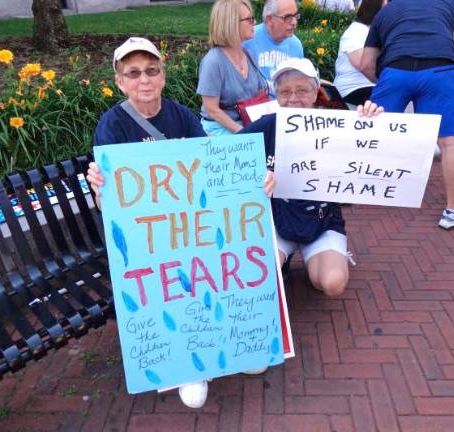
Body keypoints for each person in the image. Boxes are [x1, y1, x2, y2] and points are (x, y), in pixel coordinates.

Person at [87, 37, 275, 409]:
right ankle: (186, 364)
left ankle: (232, 347)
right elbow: (108, 204)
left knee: (210, 267)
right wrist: (99, 186)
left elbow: (211, 169)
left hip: (189, 227)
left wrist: (256, 182)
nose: (144, 79)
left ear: (163, 75)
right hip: (147, 238)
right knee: (167, 284)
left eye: (152, 71)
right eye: (134, 73)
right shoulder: (111, 126)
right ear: (120, 81)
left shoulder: (181, 116)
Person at [240, 58, 383, 297]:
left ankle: (324, 256)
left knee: (331, 284)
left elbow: (371, 157)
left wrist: (373, 123)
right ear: (276, 95)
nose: (293, 98)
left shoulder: (338, 125)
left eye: (302, 90)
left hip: (321, 221)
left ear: (316, 93)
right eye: (285, 92)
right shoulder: (267, 125)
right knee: (257, 277)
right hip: (277, 221)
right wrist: (257, 175)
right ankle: (283, 258)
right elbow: (228, 154)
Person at [360, 0, 454, 230]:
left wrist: (383, 82)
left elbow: (365, 63)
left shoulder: (386, 11)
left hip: (396, 69)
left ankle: (362, 189)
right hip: (440, 68)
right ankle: (453, 210)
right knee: (450, 142)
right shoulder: (448, 4)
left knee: (373, 130)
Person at [197, 0, 269, 135]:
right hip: (220, 129)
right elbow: (211, 109)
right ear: (231, 24)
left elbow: (260, 93)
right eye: (249, 19)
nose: (254, 22)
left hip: (247, 124)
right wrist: (244, 133)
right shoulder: (213, 61)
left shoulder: (248, 55)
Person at [243, 0, 304, 96]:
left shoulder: (296, 45)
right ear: (269, 20)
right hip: (254, 105)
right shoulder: (248, 40)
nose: (294, 22)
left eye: (295, 16)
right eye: (287, 17)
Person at [334, 0, 386, 107]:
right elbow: (364, 66)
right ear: (374, 8)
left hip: (371, 88)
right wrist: (387, 84)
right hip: (354, 89)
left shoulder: (378, 31)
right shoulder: (356, 31)